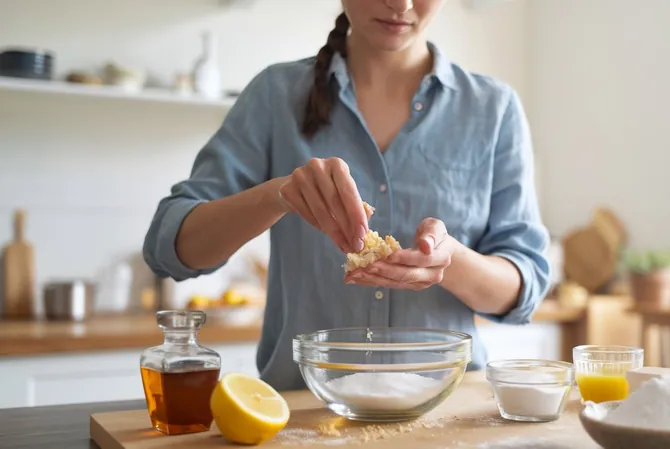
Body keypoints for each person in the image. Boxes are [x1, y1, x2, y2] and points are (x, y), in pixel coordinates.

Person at [143, 0, 550, 391]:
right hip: (304, 414)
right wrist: (277, 196)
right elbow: (170, 248)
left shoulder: (493, 110)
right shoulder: (275, 95)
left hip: (445, 414)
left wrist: (450, 261)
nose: (401, 4)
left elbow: (523, 286)